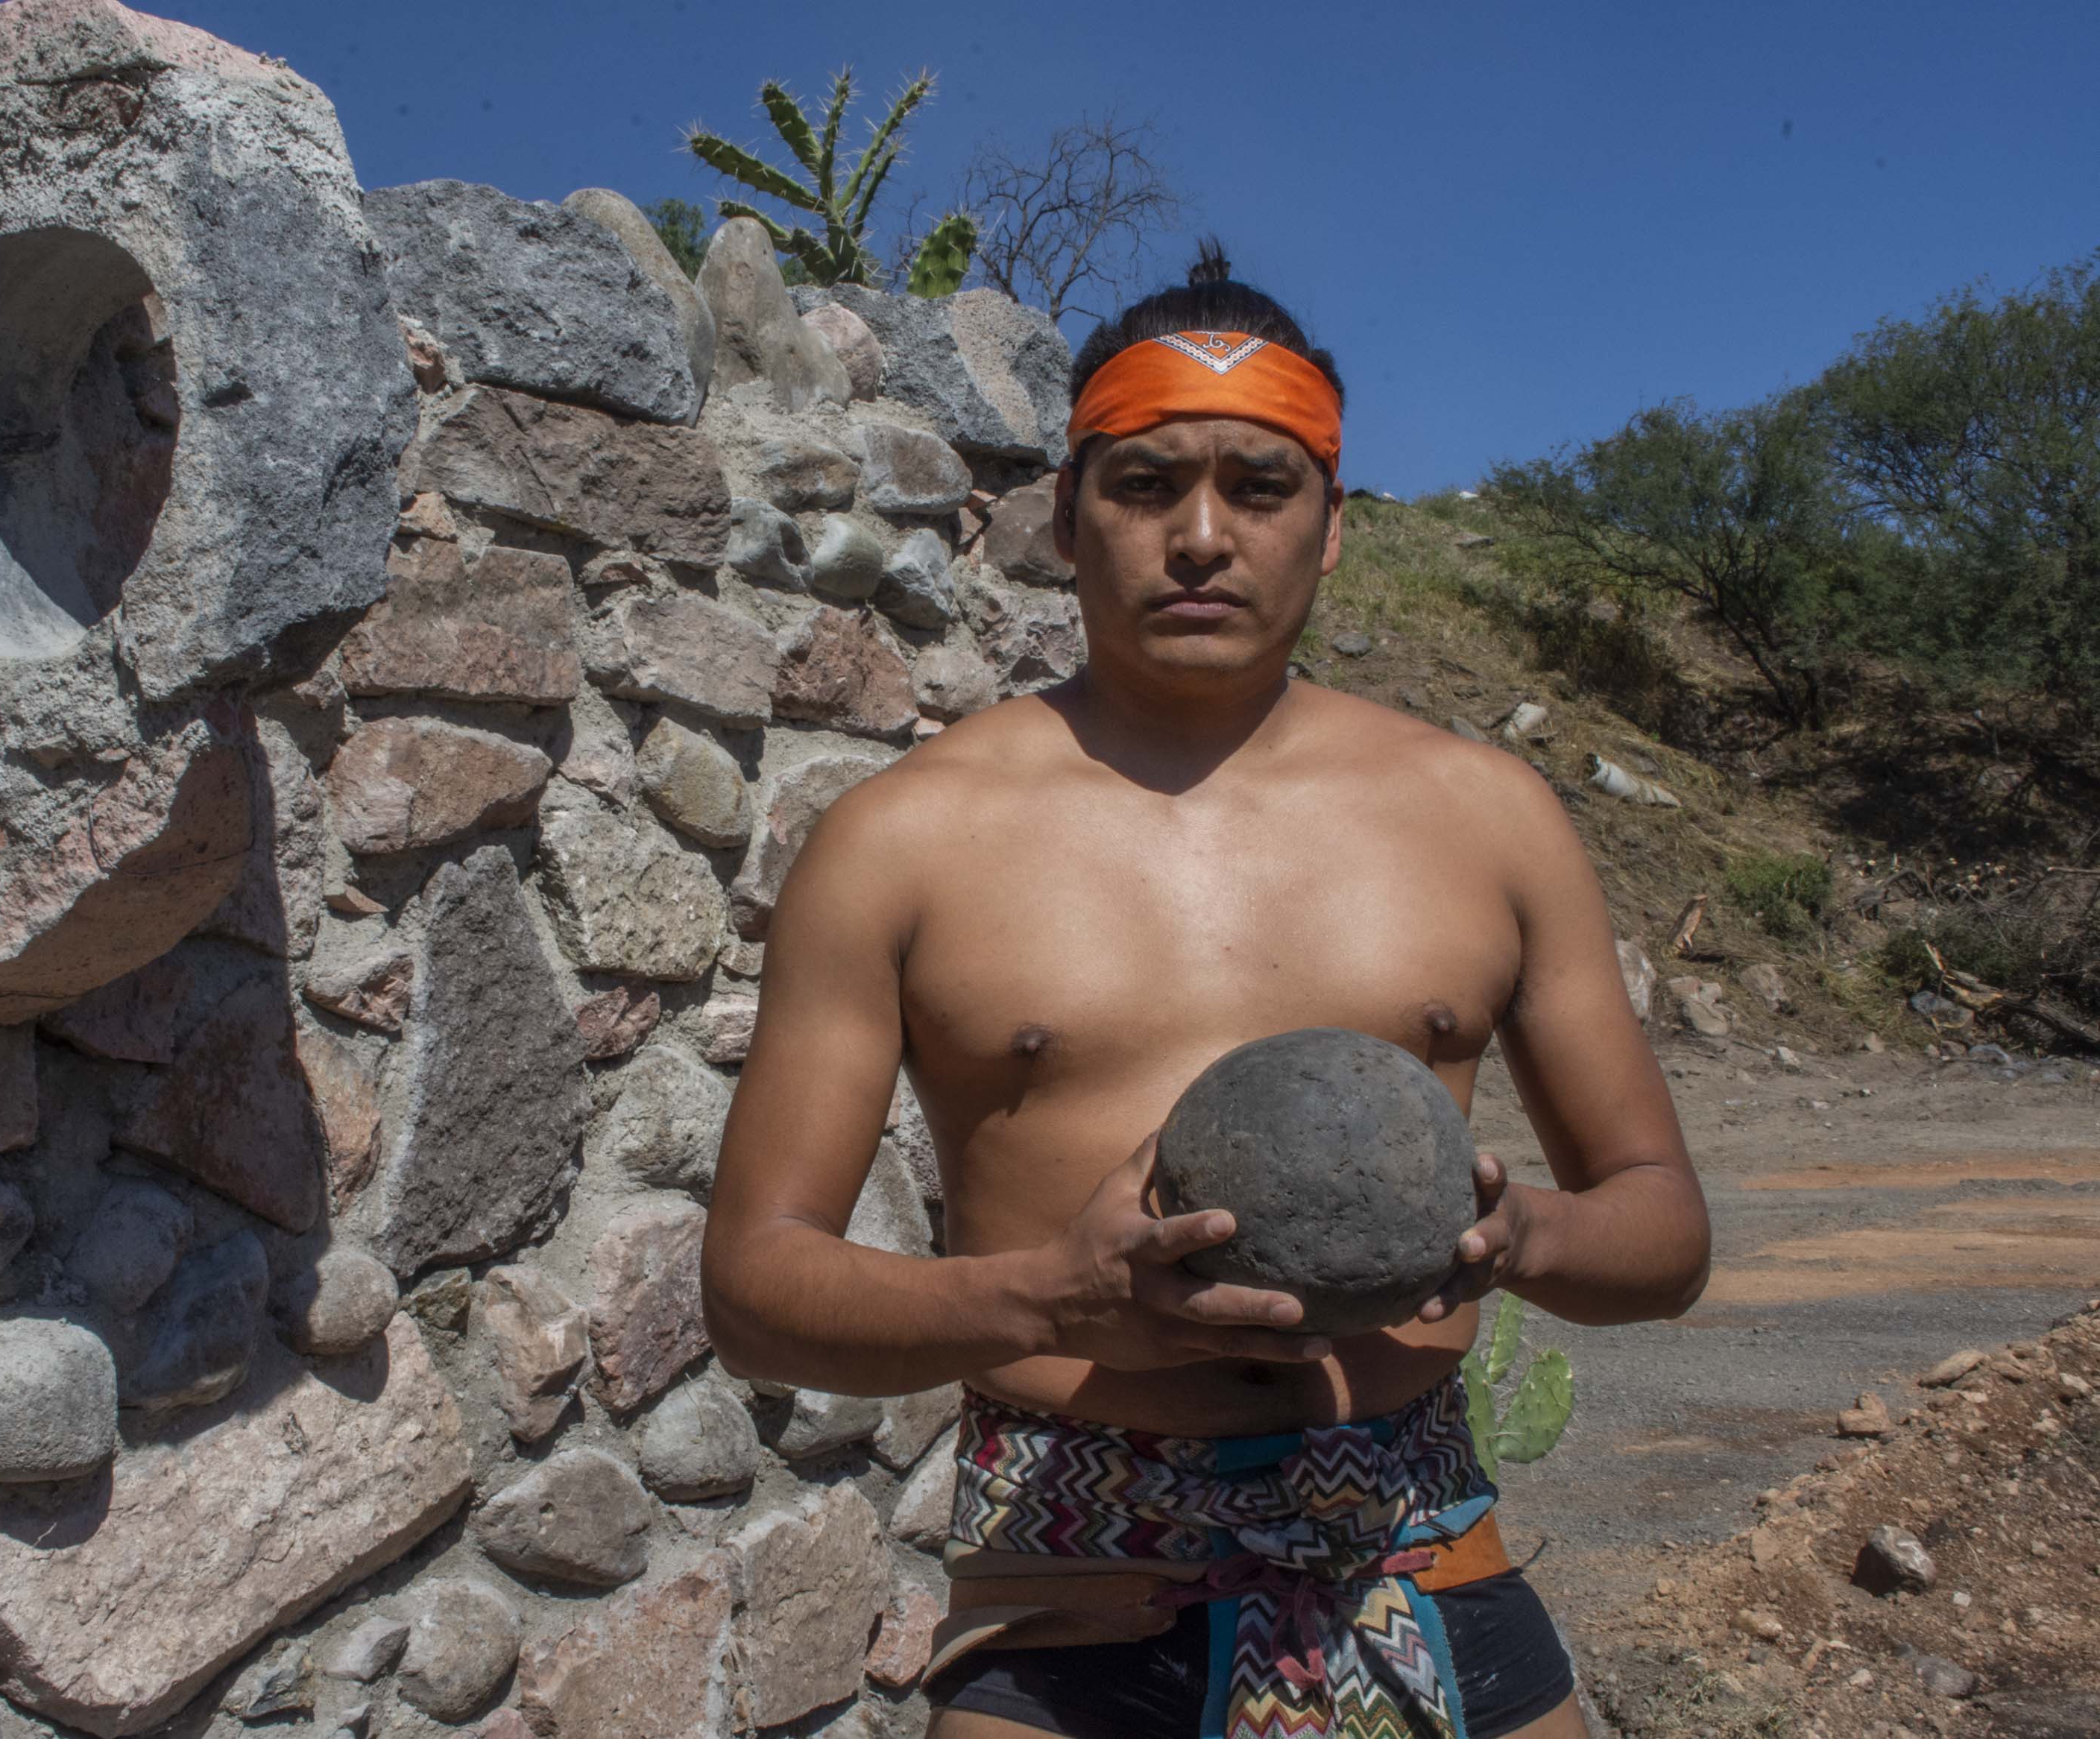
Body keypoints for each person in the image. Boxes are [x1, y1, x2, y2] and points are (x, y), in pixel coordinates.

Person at [700, 242, 1712, 1739]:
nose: (1197, 535)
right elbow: (754, 1293)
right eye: (1143, 482)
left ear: (1332, 527)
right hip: (1072, 1574)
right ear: (1064, 514)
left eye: (1257, 486)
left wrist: (1525, 1235)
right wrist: (1051, 1296)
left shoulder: (1486, 818)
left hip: (1421, 1540)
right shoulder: (901, 840)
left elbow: (1665, 1229)